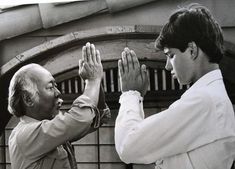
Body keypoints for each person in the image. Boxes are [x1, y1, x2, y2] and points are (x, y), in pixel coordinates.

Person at [115, 3, 235, 169]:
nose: (167, 66)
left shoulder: (204, 101)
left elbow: (128, 146)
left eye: (171, 55)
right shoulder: (210, 97)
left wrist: (130, 94)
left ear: (192, 50)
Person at [8, 42, 110, 169]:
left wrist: (95, 78)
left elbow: (96, 117)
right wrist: (92, 80)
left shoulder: (48, 129)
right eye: (50, 87)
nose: (58, 92)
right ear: (28, 99)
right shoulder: (25, 135)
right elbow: (80, 119)